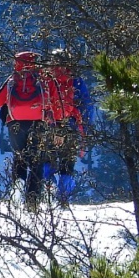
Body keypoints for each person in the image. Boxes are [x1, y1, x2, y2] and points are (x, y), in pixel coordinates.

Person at [0, 50, 51, 209]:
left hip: (15, 124)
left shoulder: (12, 80)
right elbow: (50, 102)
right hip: (38, 123)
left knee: (20, 157)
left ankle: (17, 188)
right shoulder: (42, 80)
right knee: (36, 161)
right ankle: (32, 201)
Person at [41, 49, 91, 205]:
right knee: (67, 165)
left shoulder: (44, 80)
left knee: (46, 161)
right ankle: (64, 198)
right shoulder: (76, 81)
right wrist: (85, 127)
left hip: (48, 127)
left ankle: (48, 189)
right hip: (71, 127)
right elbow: (88, 106)